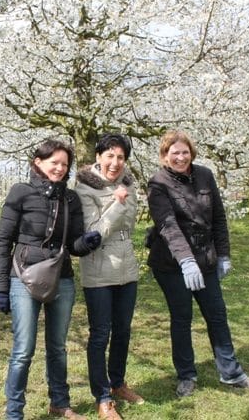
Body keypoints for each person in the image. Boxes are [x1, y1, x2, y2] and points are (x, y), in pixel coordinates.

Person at [146, 130, 249, 397]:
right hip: (171, 264)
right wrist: (186, 260)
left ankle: (231, 373)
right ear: (164, 156)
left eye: (185, 152)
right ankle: (186, 375)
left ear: (192, 153)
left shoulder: (205, 175)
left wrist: (223, 254)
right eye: (174, 153)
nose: (180, 157)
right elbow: (168, 225)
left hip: (205, 258)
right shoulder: (157, 183)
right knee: (182, 318)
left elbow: (219, 218)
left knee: (217, 315)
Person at [0, 139, 102, 420]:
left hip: (61, 278)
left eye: (65, 164)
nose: (60, 168)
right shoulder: (21, 192)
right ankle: (14, 412)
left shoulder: (71, 199)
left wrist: (87, 243)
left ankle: (60, 403)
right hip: (23, 278)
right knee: (23, 350)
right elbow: (3, 241)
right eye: (54, 162)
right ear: (38, 162)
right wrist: (1, 287)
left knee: (58, 348)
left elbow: (73, 245)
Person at [75, 133, 143, 420]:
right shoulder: (84, 187)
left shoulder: (129, 184)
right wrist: (116, 204)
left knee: (123, 330)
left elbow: (131, 225)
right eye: (110, 156)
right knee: (100, 334)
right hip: (99, 268)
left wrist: (122, 200)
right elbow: (93, 232)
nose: (115, 163)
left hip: (127, 267)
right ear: (98, 157)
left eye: (121, 157)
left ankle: (118, 383)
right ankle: (102, 397)